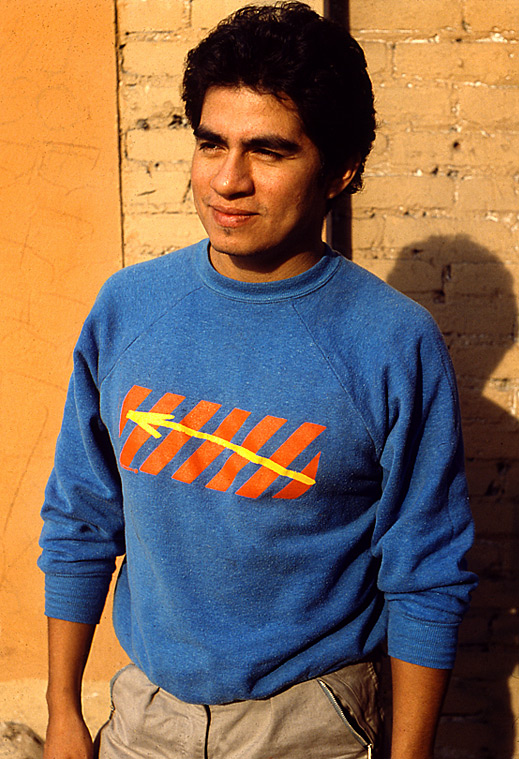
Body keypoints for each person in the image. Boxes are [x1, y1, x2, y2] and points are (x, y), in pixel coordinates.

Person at [39, 3, 477, 758]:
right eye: (212, 143)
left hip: (310, 725)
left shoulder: (390, 341)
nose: (228, 180)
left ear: (339, 172)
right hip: (146, 717)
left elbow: (427, 573)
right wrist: (63, 711)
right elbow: (80, 518)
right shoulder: (128, 307)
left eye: (268, 151)